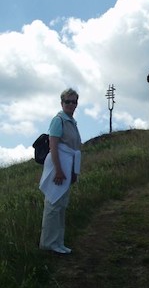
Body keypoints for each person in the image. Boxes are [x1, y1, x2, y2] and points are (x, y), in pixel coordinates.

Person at [39, 88, 81, 254]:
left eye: (74, 102)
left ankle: (58, 242)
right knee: (53, 204)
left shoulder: (72, 122)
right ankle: (48, 244)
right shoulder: (59, 120)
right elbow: (53, 146)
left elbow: (74, 148)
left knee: (61, 205)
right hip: (58, 165)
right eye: (68, 101)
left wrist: (73, 172)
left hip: (67, 165)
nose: (71, 104)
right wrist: (58, 170)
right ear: (62, 103)